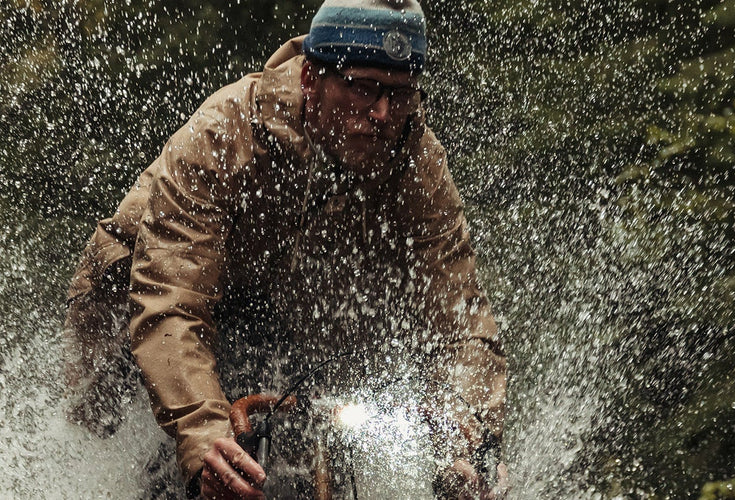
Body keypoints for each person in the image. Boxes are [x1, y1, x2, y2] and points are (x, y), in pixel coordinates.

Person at [64, 0, 505, 497]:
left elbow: (461, 320)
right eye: (363, 88)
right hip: (139, 299)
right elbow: (171, 301)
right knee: (176, 447)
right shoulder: (221, 133)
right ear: (313, 80)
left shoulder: (416, 162)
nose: (382, 113)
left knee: (314, 431)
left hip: (280, 304)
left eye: (400, 94)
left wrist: (467, 435)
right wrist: (204, 433)